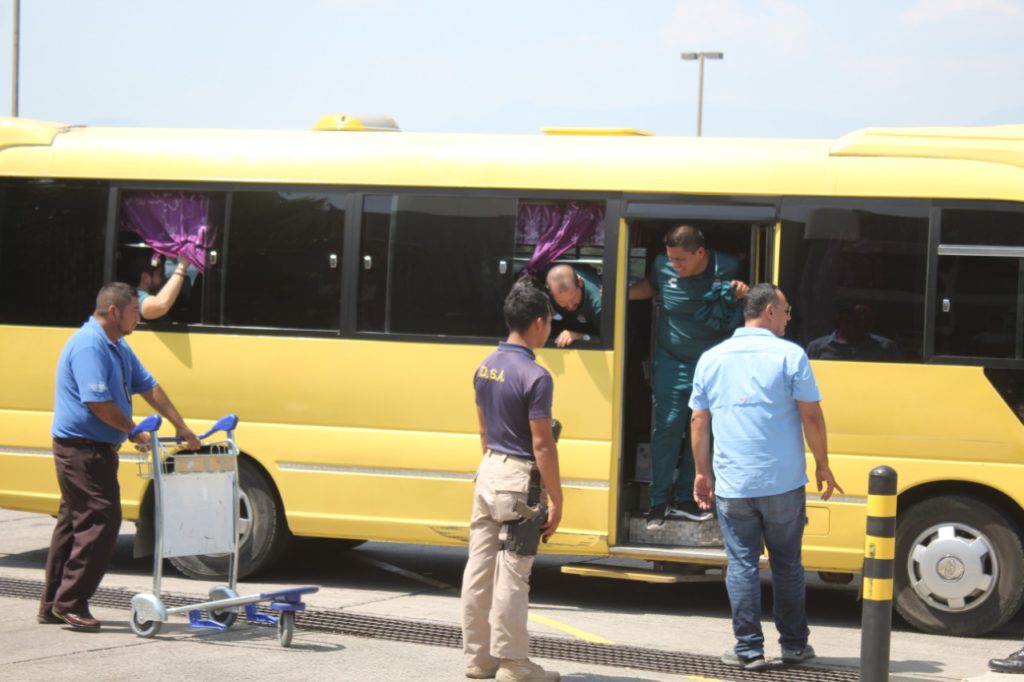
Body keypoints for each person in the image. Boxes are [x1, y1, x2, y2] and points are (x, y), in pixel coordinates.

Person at [689, 283, 842, 671]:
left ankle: (749, 650)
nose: (789, 318)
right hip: (784, 483)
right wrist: (822, 463)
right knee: (788, 564)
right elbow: (811, 415)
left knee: (741, 564)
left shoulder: (711, 358)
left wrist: (702, 472)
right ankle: (793, 647)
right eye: (787, 310)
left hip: (735, 484)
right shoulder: (791, 356)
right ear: (770, 311)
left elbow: (698, 420)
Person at [39, 282, 201, 631]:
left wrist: (182, 426)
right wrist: (131, 429)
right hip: (80, 449)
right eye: (133, 312)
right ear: (114, 312)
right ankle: (70, 603)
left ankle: (54, 603)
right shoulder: (89, 346)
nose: (138, 319)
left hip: (94, 449)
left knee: (74, 522)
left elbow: (150, 386)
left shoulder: (118, 346)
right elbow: (96, 402)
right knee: (102, 519)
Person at [461, 280, 563, 682]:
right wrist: (556, 498)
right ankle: (513, 663)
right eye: (550, 321)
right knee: (514, 572)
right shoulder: (536, 376)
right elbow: (542, 444)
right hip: (519, 478)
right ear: (539, 322)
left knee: (479, 568)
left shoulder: (485, 365)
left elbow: (484, 432)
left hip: (488, 470)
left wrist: (492, 465)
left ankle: (478, 658)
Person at [628, 225, 748, 528]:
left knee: (703, 430)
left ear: (700, 253)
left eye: (681, 260)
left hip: (713, 364)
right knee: (668, 427)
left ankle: (686, 499)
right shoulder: (661, 266)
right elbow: (651, 288)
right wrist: (618, 294)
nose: (675, 265)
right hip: (672, 360)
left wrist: (743, 292)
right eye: (671, 259)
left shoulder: (729, 267)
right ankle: (658, 503)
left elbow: (750, 303)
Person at [806, 302, 902, 362]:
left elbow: (898, 379)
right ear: (843, 319)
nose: (865, 322)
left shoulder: (886, 347)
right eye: (858, 318)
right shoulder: (816, 347)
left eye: (868, 318)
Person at [128, 248, 195, 321]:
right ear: (145, 278)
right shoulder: (136, 297)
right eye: (161, 274)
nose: (164, 279)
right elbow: (160, 306)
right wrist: (182, 266)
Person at [544, 264, 601, 348]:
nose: (570, 306)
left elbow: (607, 341)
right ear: (551, 293)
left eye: (573, 298)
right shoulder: (543, 296)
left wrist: (581, 336)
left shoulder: (597, 303)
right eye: (562, 302)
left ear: (580, 283)